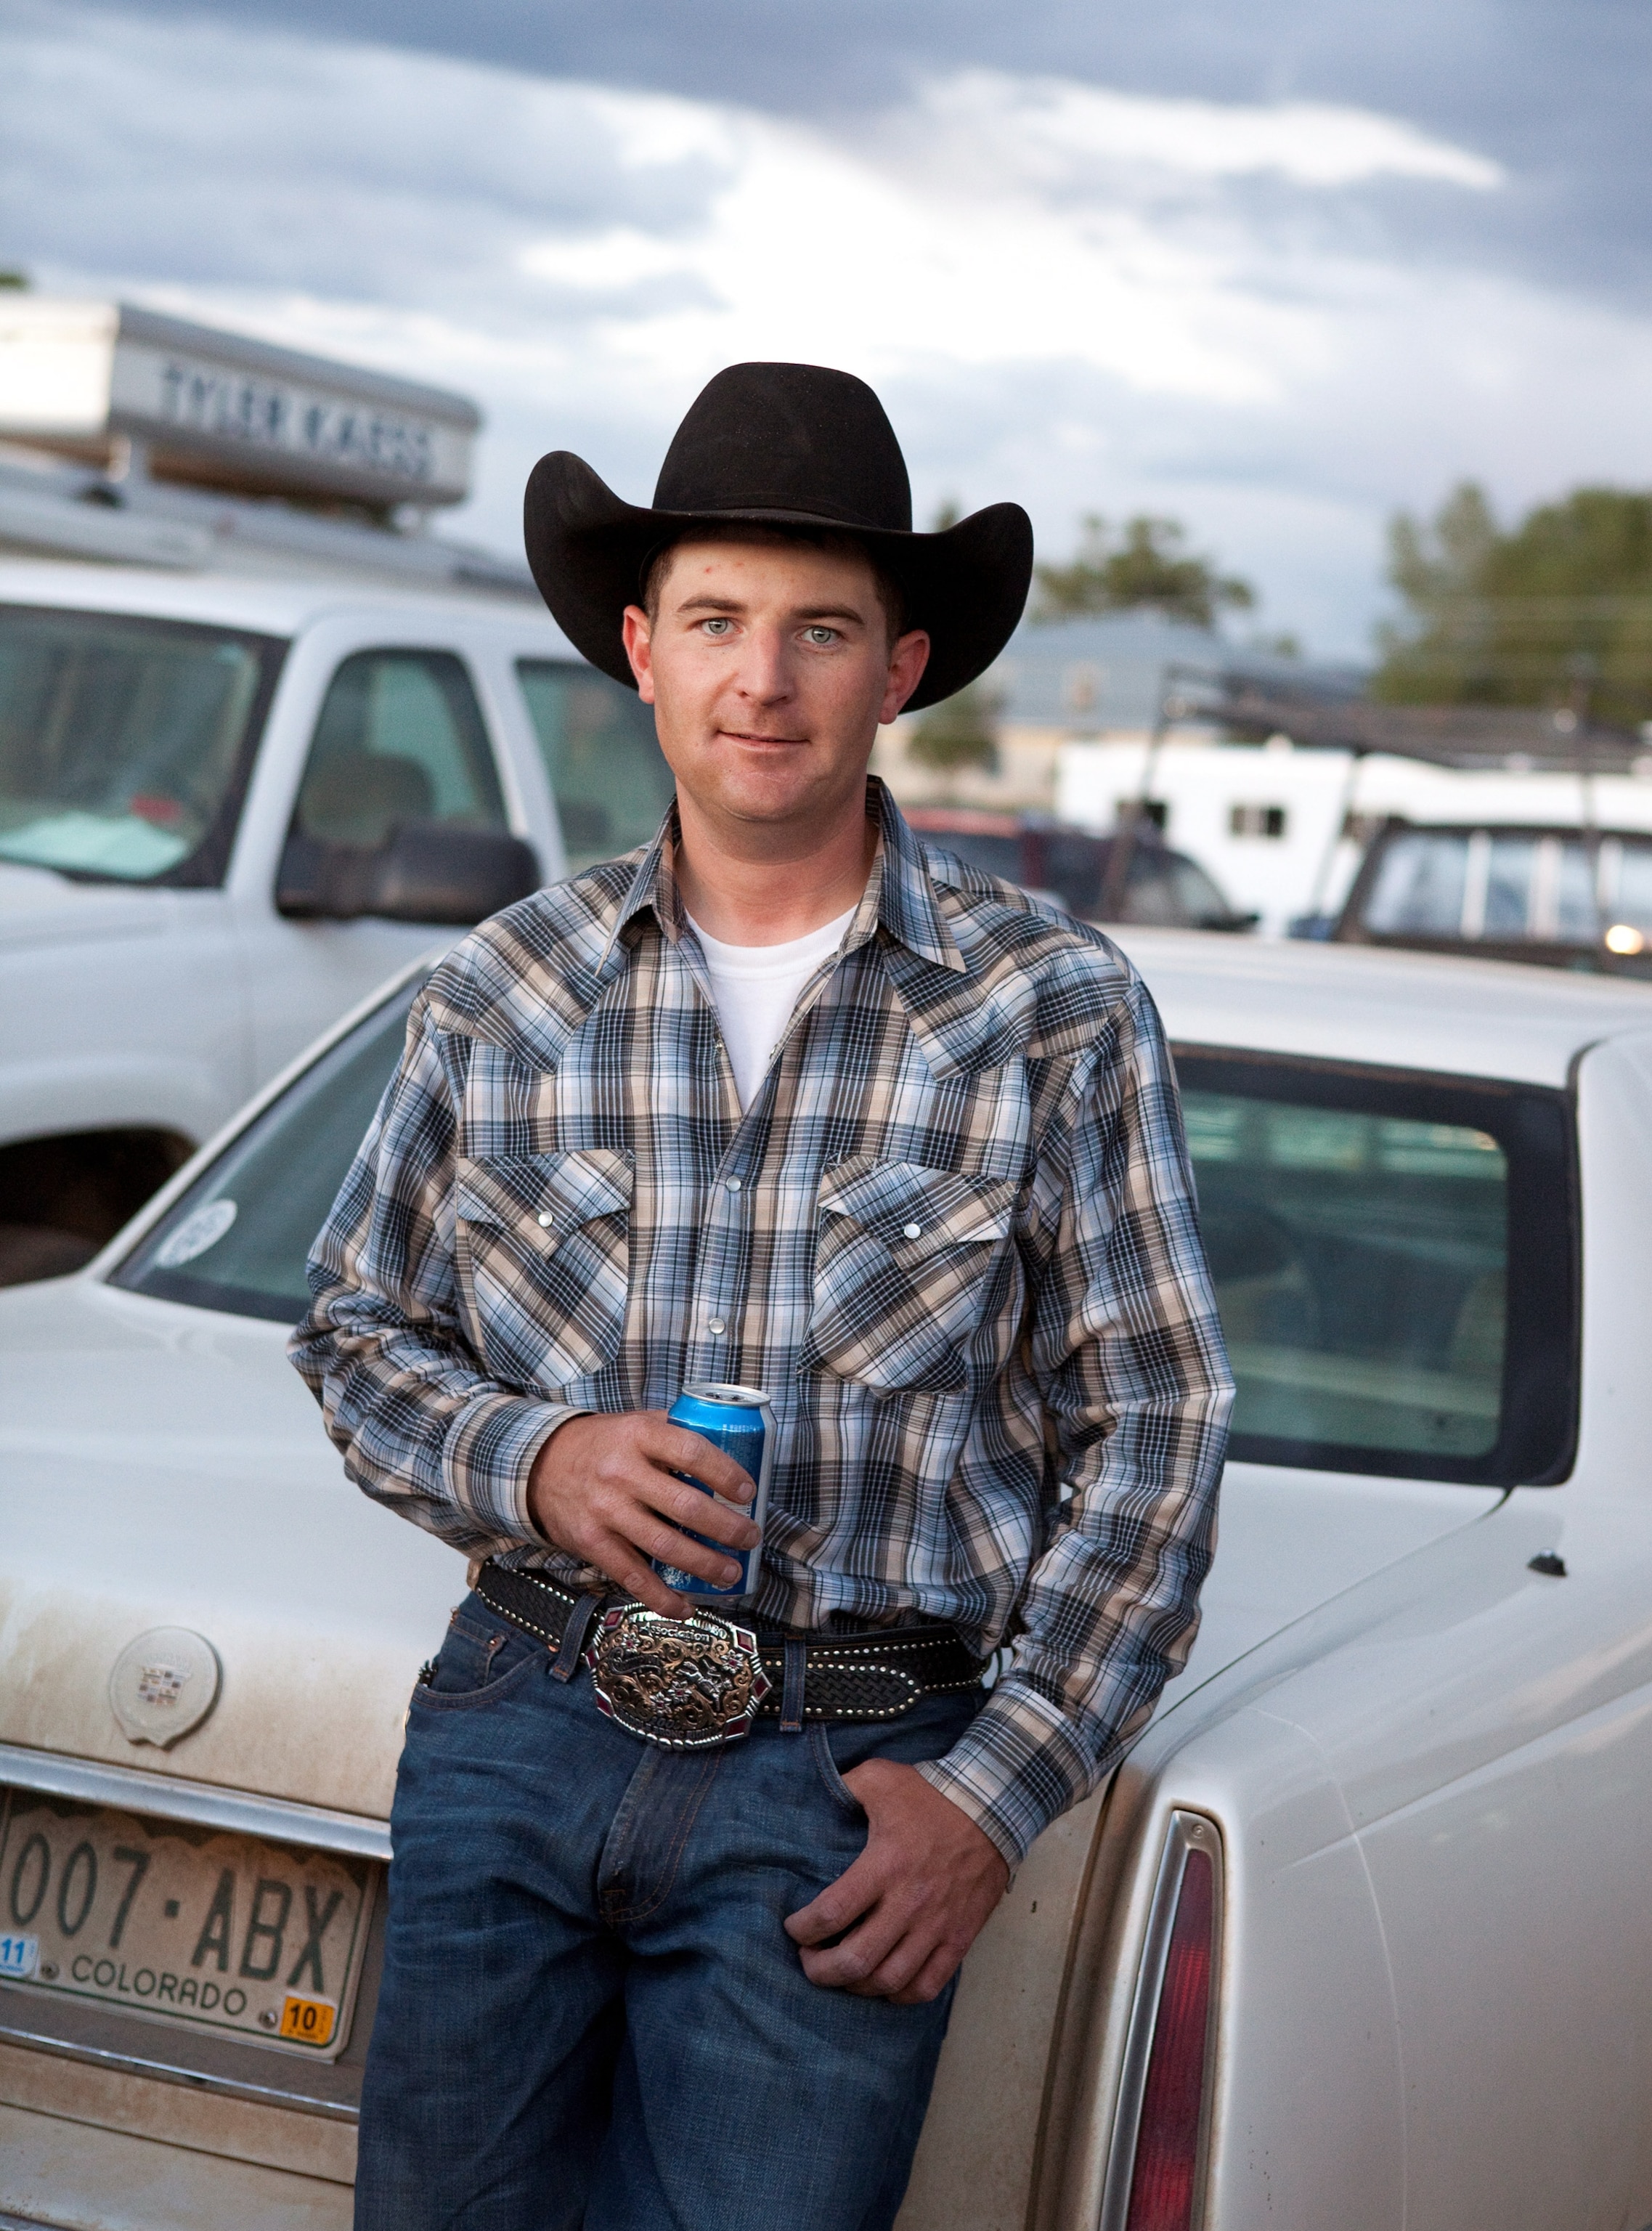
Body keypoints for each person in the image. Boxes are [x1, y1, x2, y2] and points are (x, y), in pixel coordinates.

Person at [290, 360, 1232, 2231]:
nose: (763, 678)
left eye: (822, 630)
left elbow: (1157, 1424)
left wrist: (995, 1792)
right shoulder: (508, 983)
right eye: (716, 620)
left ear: (900, 669)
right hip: (522, 1722)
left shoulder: (1048, 1006)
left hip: (848, 1781)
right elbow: (350, 1328)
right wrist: (538, 1461)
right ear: (641, 649)